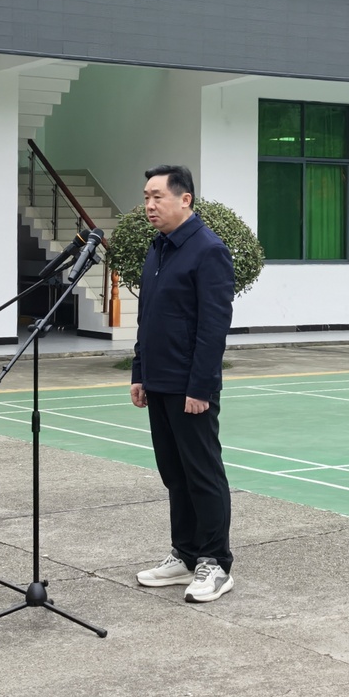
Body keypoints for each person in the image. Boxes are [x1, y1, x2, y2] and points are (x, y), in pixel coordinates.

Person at [130, 165, 237, 604]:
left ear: (185, 199)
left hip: (191, 387)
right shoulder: (158, 249)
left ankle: (215, 561)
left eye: (158, 196)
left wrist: (201, 387)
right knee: (174, 474)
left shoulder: (208, 250)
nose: (150, 205)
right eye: (146, 196)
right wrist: (140, 373)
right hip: (159, 381)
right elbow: (148, 318)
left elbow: (213, 328)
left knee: (202, 474)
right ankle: (185, 552)